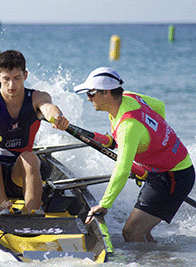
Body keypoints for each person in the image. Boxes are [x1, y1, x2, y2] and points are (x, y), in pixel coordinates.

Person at [74, 67, 195, 242]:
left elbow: (122, 169)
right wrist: (157, 141)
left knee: (131, 232)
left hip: (174, 177)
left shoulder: (128, 127)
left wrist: (104, 204)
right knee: (142, 232)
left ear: (107, 93)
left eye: (91, 93)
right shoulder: (129, 97)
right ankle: (160, 258)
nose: (88, 98)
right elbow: (159, 106)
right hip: (162, 170)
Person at [0, 50, 69, 215]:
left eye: (17, 78)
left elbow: (48, 108)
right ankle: (2, 204)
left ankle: (33, 211)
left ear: (25, 75)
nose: (11, 85)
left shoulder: (37, 97)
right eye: (6, 79)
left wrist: (57, 117)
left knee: (29, 156)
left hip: (18, 176)